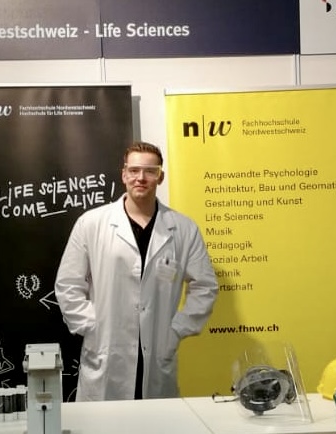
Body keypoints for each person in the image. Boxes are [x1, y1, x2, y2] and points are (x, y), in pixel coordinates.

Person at [55, 141, 218, 401]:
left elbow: (205, 287)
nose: (140, 178)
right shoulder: (91, 223)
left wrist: (177, 329)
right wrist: (92, 327)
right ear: (124, 174)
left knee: (155, 420)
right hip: (107, 351)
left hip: (157, 351)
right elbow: (68, 285)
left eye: (150, 171)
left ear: (160, 177)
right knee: (104, 422)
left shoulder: (183, 229)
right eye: (134, 170)